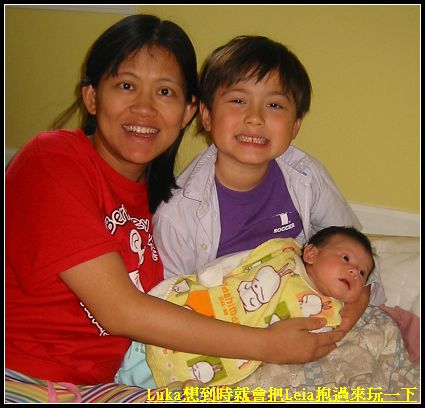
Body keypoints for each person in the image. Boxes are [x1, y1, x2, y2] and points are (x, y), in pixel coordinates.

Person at [5, 15, 343, 387]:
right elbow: (120, 311)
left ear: (187, 113)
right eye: (126, 85)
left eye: (165, 92)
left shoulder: (154, 198)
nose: (144, 108)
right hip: (24, 375)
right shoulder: (53, 160)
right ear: (92, 97)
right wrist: (268, 345)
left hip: (103, 385)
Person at [153, 35, 385, 335]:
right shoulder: (178, 213)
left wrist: (352, 311)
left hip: (307, 314)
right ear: (207, 116)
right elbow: (170, 307)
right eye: (238, 101)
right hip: (228, 333)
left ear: (295, 125)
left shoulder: (305, 176)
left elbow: (356, 250)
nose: (255, 118)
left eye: (274, 105)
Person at [118, 226, 375, 388]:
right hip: (201, 312)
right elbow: (241, 262)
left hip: (227, 357)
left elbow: (306, 347)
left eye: (362, 273)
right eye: (346, 258)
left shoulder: (329, 312)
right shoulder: (282, 255)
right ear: (311, 254)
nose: (354, 271)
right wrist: (209, 276)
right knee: (140, 357)